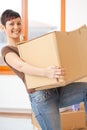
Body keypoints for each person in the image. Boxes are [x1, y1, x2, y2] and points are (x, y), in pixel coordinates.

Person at [1, 9, 87, 130]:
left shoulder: (29, 46)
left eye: (19, 23)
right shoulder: (6, 51)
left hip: (57, 89)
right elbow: (21, 66)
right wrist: (47, 72)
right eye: (11, 24)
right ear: (3, 27)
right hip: (42, 97)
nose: (16, 27)